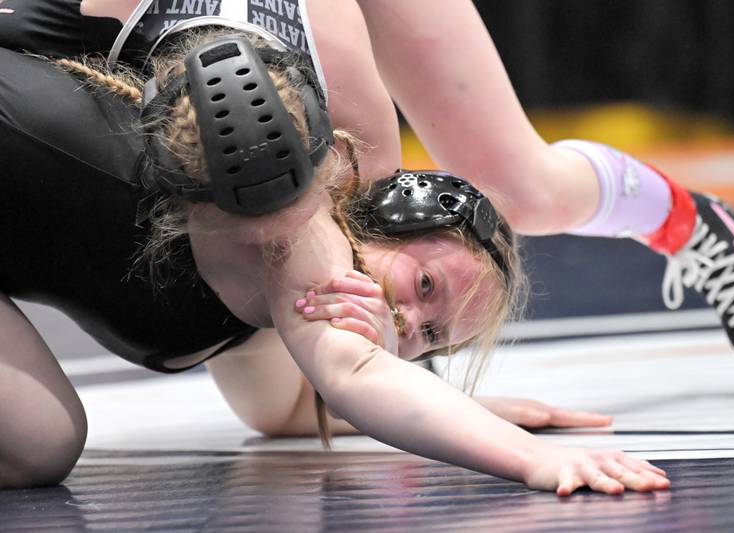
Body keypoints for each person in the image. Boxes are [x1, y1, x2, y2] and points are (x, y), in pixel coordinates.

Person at [0, 34, 670, 497]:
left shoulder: (270, 319)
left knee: (39, 442)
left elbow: (286, 409)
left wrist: (474, 409)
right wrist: (535, 459)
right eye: (423, 286)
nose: (406, 322)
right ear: (374, 223)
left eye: (432, 336)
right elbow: (354, 374)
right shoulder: (293, 216)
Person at [1, 0, 734, 368]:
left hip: (299, 53)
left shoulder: (355, 147)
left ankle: (688, 221)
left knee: (519, 191)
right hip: (215, 68)